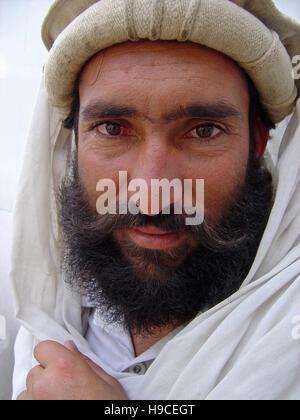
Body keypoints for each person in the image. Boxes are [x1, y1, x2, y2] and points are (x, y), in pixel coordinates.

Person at [11, 0, 300, 400]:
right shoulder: (30, 317)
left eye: (203, 131)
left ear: (257, 142)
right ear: (74, 141)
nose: (150, 196)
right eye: (112, 128)